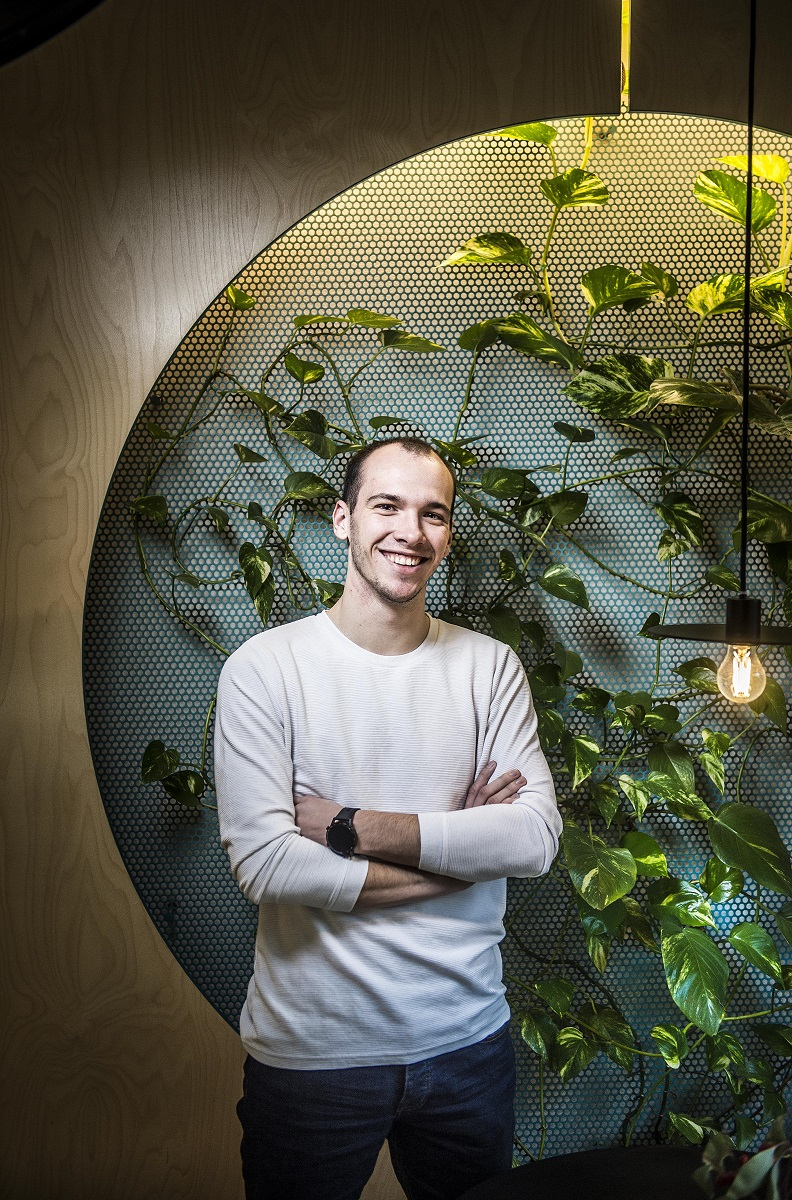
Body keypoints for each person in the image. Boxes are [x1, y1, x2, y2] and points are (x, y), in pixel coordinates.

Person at [215, 436, 561, 1200]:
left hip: (469, 1043)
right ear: (343, 519)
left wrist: (346, 825)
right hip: (312, 1057)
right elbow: (266, 865)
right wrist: (463, 856)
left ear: (449, 534)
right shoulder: (264, 670)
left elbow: (533, 839)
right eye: (387, 506)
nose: (411, 531)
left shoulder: (490, 667)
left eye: (433, 513)